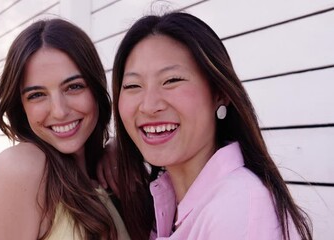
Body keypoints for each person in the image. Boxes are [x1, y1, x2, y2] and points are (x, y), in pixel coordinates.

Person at [111, 12, 313, 239]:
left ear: (219, 94)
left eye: (172, 80)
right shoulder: (166, 200)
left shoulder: (238, 209)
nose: (149, 106)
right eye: (132, 85)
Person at [0, 19, 129, 240]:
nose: (59, 111)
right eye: (37, 95)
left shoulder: (103, 174)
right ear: (21, 106)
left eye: (74, 87)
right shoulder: (20, 167)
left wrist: (121, 146)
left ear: (96, 89)